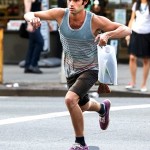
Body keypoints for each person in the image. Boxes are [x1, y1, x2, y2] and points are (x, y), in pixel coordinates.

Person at [24, 0, 131, 149]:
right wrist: (31, 18)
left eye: (76, 0)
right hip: (71, 69)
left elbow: (127, 30)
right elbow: (28, 13)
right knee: (82, 106)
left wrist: (107, 34)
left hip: (91, 68)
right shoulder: (60, 14)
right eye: (69, 0)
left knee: (70, 100)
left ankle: (80, 143)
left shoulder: (94, 20)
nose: (71, 3)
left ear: (85, 2)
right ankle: (102, 108)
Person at [125, 0, 150, 92]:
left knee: (146, 60)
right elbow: (132, 19)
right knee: (132, 57)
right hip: (135, 33)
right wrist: (128, 33)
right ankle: (133, 82)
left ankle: (143, 84)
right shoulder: (136, 4)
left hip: (147, 34)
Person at [24, 0, 44, 74]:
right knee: (40, 42)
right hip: (31, 23)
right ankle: (33, 64)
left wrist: (49, 23)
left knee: (32, 45)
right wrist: (29, 24)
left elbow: (42, 10)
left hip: (37, 23)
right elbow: (27, 11)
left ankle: (28, 66)